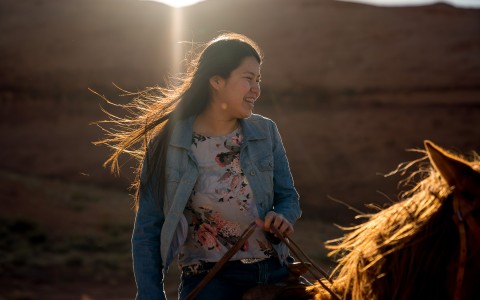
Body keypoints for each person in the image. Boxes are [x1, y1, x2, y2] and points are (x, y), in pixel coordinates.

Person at [96, 32, 301, 300]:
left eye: (258, 80)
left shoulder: (266, 132)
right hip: (211, 280)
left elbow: (289, 197)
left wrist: (282, 216)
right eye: (248, 79)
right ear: (217, 80)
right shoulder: (168, 145)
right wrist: (150, 294)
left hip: (274, 271)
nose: (256, 89)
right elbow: (148, 230)